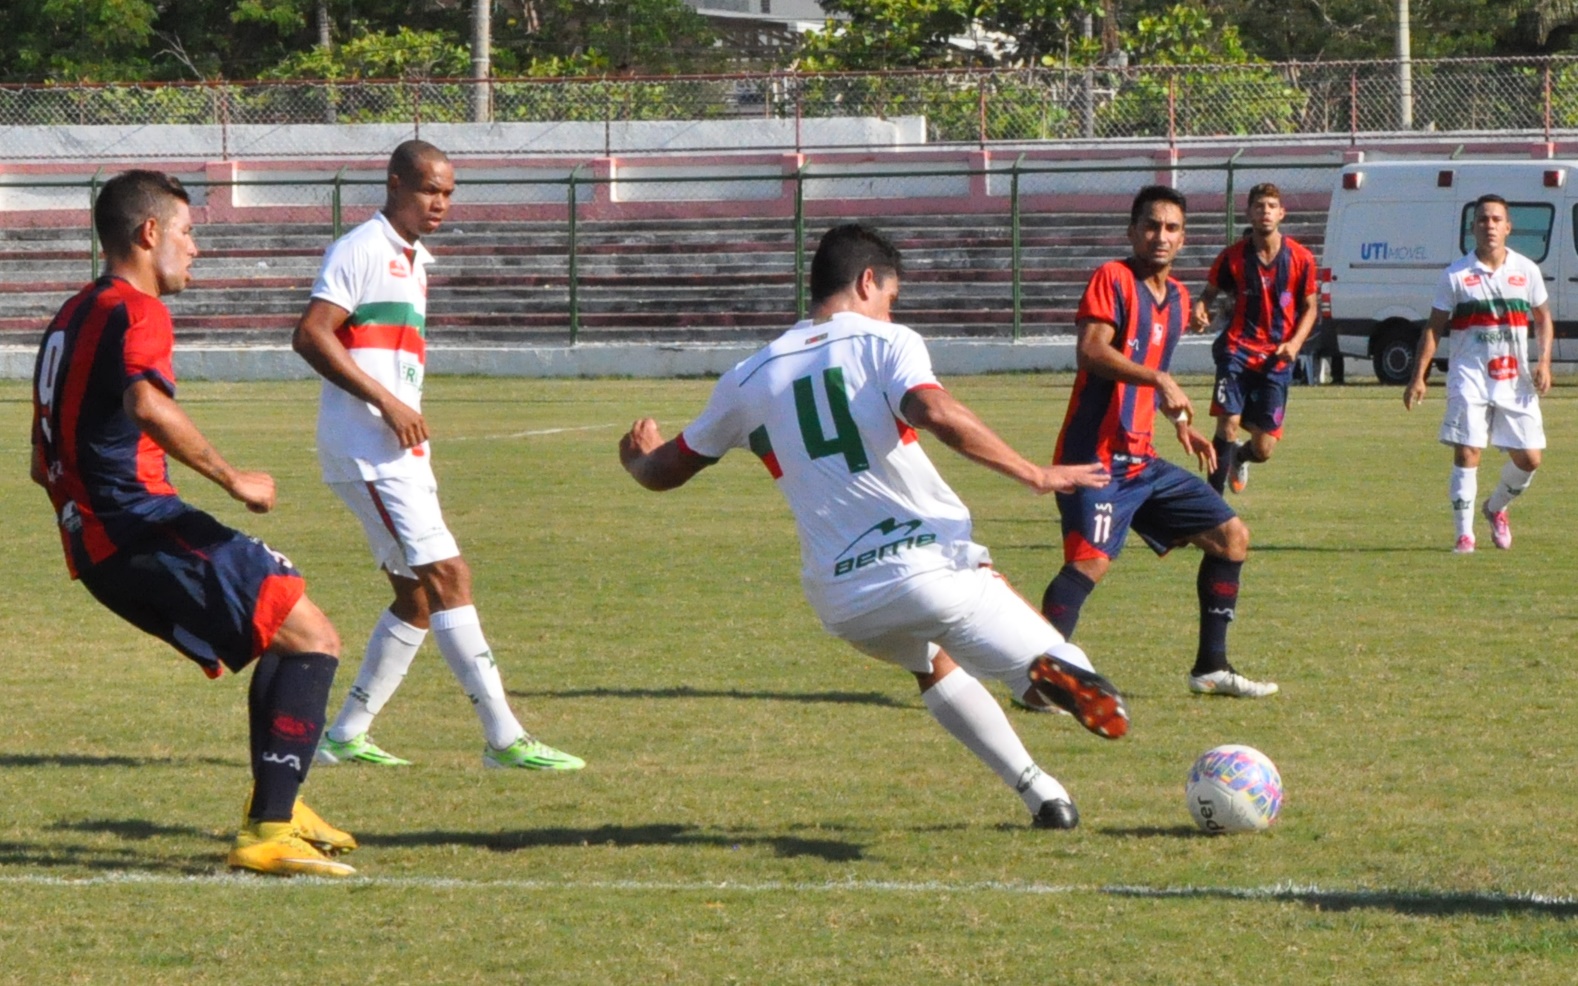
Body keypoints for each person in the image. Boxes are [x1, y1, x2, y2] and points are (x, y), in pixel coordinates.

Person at [619, 223, 1128, 830]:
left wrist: (638, 459)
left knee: (932, 661)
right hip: (930, 569)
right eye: (891, 298)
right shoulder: (886, 342)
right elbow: (932, 409)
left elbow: (665, 470)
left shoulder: (748, 376)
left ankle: (1040, 792)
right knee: (1049, 667)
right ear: (867, 282)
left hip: (845, 601)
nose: (891, 312)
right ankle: (1049, 678)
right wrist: (1034, 473)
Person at [30, 170, 356, 877]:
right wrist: (234, 478)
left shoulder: (70, 314)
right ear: (149, 234)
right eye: (186, 231)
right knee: (314, 638)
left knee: (285, 620)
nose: (195, 248)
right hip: (138, 525)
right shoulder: (137, 310)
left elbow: (40, 459)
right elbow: (147, 404)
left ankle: (279, 802)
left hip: (97, 544)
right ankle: (268, 827)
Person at [292, 140, 583, 771]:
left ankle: (345, 736)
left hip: (396, 452)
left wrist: (404, 413)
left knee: (417, 597)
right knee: (449, 577)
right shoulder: (362, 248)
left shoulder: (413, 258)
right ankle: (504, 739)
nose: (441, 203)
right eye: (429, 190)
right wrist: (388, 404)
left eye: (449, 193)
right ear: (395, 183)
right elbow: (310, 334)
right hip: (369, 452)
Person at [1042, 185, 1278, 699]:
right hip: (1095, 459)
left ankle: (1211, 668)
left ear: (1184, 238)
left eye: (1172, 228)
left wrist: (1180, 422)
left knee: (1231, 537)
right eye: (1151, 226)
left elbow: (1150, 375)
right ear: (1132, 231)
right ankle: (1035, 681)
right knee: (1089, 563)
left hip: (1142, 461)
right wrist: (1158, 380)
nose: (1161, 236)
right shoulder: (1113, 278)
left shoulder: (1176, 299)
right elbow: (1091, 351)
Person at [1404, 193, 1553, 553]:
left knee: (1530, 459)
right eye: (1483, 219)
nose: (1490, 226)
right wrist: (1419, 376)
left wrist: (1544, 362)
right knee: (1468, 451)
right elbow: (1433, 327)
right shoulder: (1456, 275)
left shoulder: (1526, 271)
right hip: (1469, 375)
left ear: (1508, 227)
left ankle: (1495, 507)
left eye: (1496, 219)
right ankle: (1464, 535)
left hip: (1514, 380)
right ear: (1473, 228)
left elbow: (1543, 318)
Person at [1189, 183, 1318, 494]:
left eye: (1271, 206)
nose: (1265, 212)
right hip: (1237, 350)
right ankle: (1213, 509)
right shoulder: (1232, 257)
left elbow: (1311, 307)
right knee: (1227, 423)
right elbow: (1207, 295)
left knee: (1264, 448)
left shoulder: (1301, 259)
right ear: (1249, 212)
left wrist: (1295, 344)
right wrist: (1199, 310)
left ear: (1282, 213)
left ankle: (1240, 457)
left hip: (1277, 358)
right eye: (1259, 206)